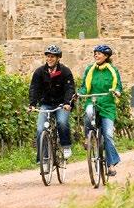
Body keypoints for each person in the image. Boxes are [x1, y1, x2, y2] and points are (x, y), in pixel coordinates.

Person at [78, 44, 122, 176]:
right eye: (95, 53)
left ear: (106, 56)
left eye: (99, 53)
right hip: (93, 101)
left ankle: (111, 165)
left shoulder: (113, 70)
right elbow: (84, 87)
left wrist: (117, 92)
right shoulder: (90, 70)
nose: (96, 55)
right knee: (89, 112)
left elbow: (119, 86)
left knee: (108, 135)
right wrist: (80, 93)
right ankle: (88, 138)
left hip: (108, 106)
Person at [29, 45, 75, 161]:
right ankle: (43, 159)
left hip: (61, 104)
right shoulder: (39, 72)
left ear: (58, 58)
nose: (49, 59)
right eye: (48, 56)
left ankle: (66, 146)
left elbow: (70, 89)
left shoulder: (65, 71)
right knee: (40, 129)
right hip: (46, 104)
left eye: (52, 57)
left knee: (62, 122)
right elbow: (34, 88)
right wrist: (32, 104)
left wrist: (67, 103)